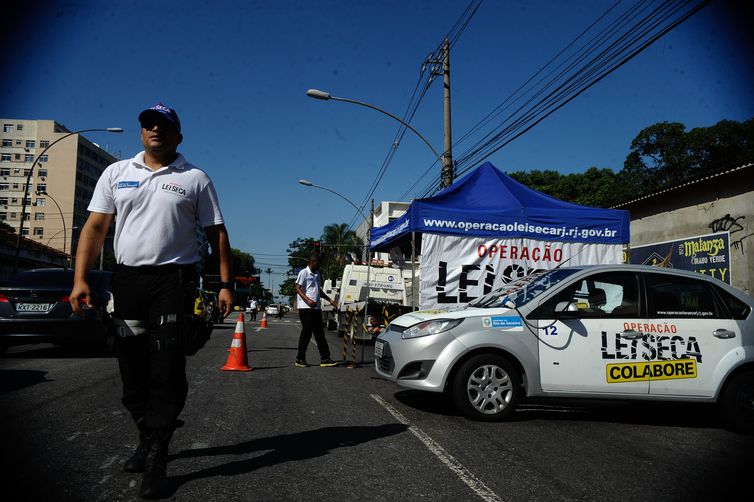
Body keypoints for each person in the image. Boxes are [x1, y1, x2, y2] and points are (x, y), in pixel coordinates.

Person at [69, 102, 234, 500]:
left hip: (173, 282)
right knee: (131, 368)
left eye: (163, 125)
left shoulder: (194, 178)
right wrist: (80, 279)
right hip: (128, 281)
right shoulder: (117, 173)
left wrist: (225, 284)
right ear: (141, 132)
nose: (154, 130)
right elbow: (95, 228)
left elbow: (217, 233)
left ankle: (158, 453)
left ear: (178, 135)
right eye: (148, 124)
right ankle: (146, 433)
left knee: (166, 365)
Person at [294, 254, 338, 367]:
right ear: (313, 262)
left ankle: (325, 359)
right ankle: (300, 359)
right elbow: (297, 288)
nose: (320, 266)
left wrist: (330, 300)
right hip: (306, 308)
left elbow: (319, 291)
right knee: (307, 333)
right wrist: (308, 300)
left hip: (316, 308)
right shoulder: (304, 272)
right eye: (319, 264)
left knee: (320, 334)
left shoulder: (317, 274)